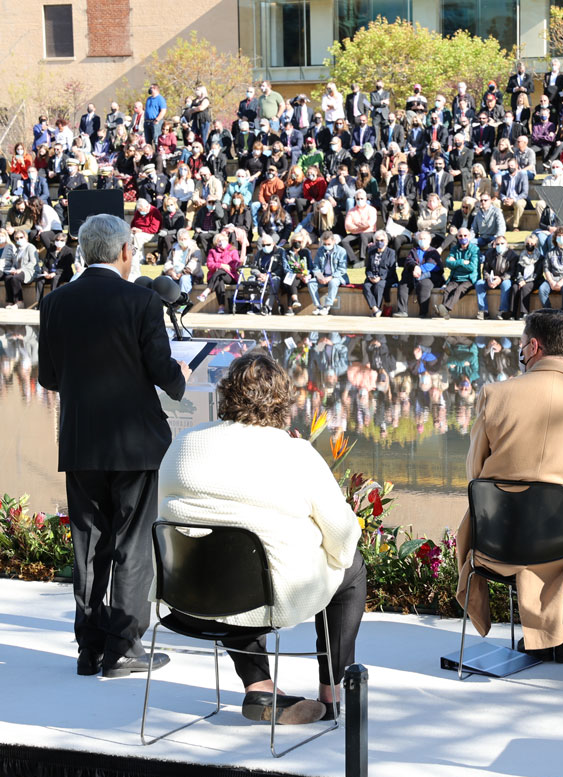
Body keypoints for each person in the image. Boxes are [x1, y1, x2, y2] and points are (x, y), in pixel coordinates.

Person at [157, 349, 364, 724]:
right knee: (351, 569)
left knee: (226, 558)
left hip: (187, 595)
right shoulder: (294, 453)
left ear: (226, 396)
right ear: (282, 403)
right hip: (264, 600)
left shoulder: (182, 444)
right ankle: (333, 693)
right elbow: (344, 537)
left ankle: (259, 685)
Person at [37, 214, 189, 678]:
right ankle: (124, 647)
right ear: (124, 251)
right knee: (131, 543)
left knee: (89, 545)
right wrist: (179, 379)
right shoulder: (141, 301)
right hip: (135, 442)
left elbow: (48, 377)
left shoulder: (55, 302)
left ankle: (90, 648)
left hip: (82, 440)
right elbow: (164, 371)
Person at [456, 309, 563, 661]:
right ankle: (561, 631)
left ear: (532, 347)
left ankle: (549, 631)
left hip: (500, 538)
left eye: (519, 344)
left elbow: (474, 472)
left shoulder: (495, 394)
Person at [437, 229, 479, 320]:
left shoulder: (475, 249)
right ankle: (444, 312)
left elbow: (472, 267)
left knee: (459, 289)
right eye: (460, 236)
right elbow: (448, 263)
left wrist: (456, 263)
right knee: (448, 289)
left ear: (469, 236)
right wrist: (462, 262)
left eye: (465, 235)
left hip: (469, 279)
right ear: (457, 237)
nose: (463, 238)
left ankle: (445, 309)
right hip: (456, 278)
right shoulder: (454, 249)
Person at [475, 235, 518, 320]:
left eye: (502, 243)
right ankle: (484, 311)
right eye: (497, 244)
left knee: (506, 284)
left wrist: (500, 279)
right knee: (479, 283)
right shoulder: (489, 253)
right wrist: (488, 279)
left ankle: (503, 311)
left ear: (506, 244)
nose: (500, 245)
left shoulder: (513, 255)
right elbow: (486, 269)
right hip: (491, 280)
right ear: (494, 244)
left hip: (505, 280)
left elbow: (512, 272)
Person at [309, 230, 348, 315]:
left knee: (333, 282)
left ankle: (327, 306)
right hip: (323, 276)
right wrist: (319, 277)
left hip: (337, 277)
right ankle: (318, 306)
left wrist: (330, 277)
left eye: (329, 244)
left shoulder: (341, 251)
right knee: (311, 283)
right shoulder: (320, 250)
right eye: (325, 244)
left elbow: (342, 269)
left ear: (334, 241)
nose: (326, 246)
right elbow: (316, 266)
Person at [539, 226, 563, 311]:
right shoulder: (550, 252)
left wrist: (560, 283)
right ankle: (548, 311)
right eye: (559, 236)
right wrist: (552, 282)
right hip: (552, 279)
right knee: (542, 289)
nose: (561, 238)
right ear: (555, 238)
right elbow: (546, 269)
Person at [361, 231, 396, 317]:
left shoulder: (391, 252)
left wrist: (380, 278)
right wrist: (370, 276)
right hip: (372, 277)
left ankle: (377, 308)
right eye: (377, 240)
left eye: (382, 240)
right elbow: (368, 267)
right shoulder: (371, 251)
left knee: (379, 285)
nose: (379, 242)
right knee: (366, 286)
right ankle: (375, 309)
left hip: (386, 277)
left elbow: (391, 269)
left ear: (386, 242)